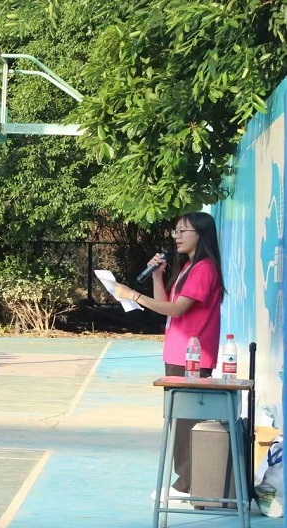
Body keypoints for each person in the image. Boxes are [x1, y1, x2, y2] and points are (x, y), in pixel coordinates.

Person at [114, 211, 224, 497]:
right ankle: (184, 482)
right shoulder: (188, 267)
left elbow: (177, 310)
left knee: (188, 421)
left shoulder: (205, 269)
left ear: (201, 235)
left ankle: (186, 485)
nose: (177, 236)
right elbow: (165, 305)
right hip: (177, 353)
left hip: (193, 357)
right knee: (178, 419)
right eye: (176, 231)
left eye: (183, 231)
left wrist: (133, 295)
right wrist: (157, 276)